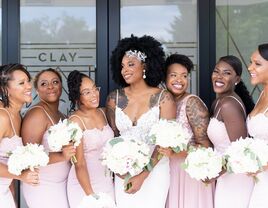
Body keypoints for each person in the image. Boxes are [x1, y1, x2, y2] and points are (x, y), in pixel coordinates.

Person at [106, 34, 176, 208]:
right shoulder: (113, 98)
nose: (125, 70)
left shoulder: (163, 98)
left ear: (145, 65)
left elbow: (165, 143)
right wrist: (117, 168)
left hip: (155, 172)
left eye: (131, 64)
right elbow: (112, 137)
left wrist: (143, 175)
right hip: (124, 172)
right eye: (122, 66)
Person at [158, 54, 214, 208]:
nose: (179, 80)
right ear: (164, 78)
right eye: (173, 75)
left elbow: (206, 148)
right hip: (168, 171)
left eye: (184, 76)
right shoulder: (163, 102)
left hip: (189, 172)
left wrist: (176, 153)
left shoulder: (192, 103)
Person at [21, 68, 76, 208]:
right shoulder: (37, 114)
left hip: (63, 185)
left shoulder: (62, 116)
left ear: (61, 86)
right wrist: (62, 156)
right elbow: (29, 157)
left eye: (55, 82)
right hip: (43, 186)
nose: (50, 86)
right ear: (37, 91)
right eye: (44, 84)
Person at [207, 55, 255, 208]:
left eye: (227, 73)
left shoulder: (228, 105)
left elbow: (240, 151)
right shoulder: (219, 101)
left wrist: (213, 172)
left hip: (236, 178)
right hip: (226, 175)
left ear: (237, 79)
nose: (219, 76)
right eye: (216, 71)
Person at [66, 70, 115, 207]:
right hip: (84, 185)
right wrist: (91, 196)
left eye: (95, 89)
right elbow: (79, 163)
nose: (94, 95)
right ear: (77, 97)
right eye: (87, 92)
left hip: (106, 181)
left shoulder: (103, 112)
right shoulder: (75, 122)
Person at [0, 64, 38, 208]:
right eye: (22, 83)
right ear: (5, 89)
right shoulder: (2, 117)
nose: (29, 86)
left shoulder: (18, 116)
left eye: (28, 81)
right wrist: (21, 176)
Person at [247, 43, 268, 208]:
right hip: (260, 179)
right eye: (251, 62)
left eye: (257, 63)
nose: (250, 67)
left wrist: (262, 164)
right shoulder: (262, 93)